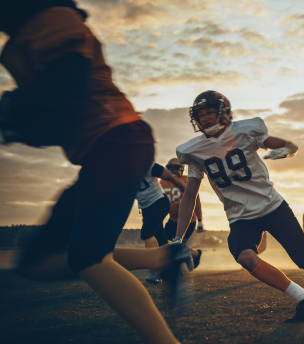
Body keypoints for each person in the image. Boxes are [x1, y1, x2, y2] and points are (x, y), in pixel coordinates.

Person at [0, 2, 189, 343]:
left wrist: (12, 113)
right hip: (105, 149)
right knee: (35, 262)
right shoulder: (28, 35)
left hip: (117, 141)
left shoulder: (50, 19)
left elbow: (67, 89)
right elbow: (58, 116)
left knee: (89, 256)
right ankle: (165, 256)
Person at [174, 90, 304, 322]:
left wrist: (289, 150)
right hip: (240, 217)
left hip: (272, 207)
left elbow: (288, 145)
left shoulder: (245, 131)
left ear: (224, 112)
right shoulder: (194, 150)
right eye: (201, 115)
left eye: (210, 111)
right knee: (246, 258)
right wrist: (178, 237)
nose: (206, 118)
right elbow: (190, 195)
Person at [161, 158, 204, 243]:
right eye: (171, 168)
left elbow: (195, 199)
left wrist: (200, 220)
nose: (173, 171)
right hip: (173, 220)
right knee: (164, 243)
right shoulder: (163, 182)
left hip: (188, 221)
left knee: (179, 245)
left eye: (175, 168)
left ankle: (194, 254)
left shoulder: (186, 180)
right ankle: (194, 253)